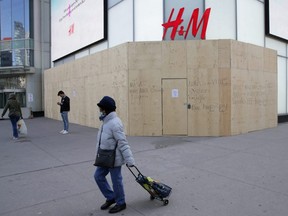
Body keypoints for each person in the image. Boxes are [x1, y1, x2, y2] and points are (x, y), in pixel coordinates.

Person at [94, 96, 135, 214]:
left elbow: (123, 143)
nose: (99, 109)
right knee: (98, 176)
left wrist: (129, 159)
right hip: (104, 157)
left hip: (114, 158)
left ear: (105, 109)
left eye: (101, 107)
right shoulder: (105, 121)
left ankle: (121, 202)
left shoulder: (115, 123)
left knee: (116, 181)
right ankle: (111, 197)